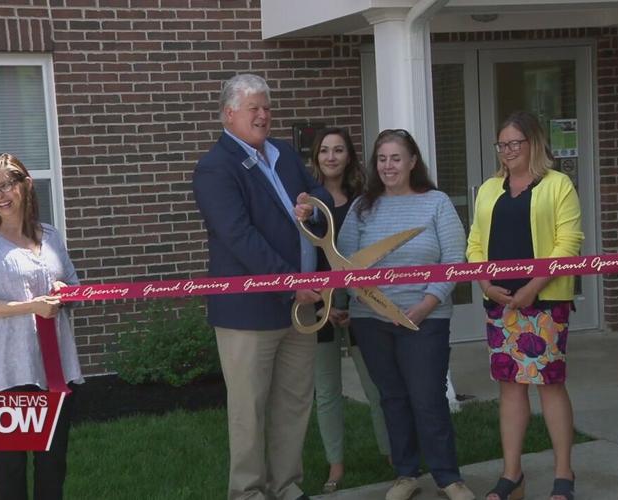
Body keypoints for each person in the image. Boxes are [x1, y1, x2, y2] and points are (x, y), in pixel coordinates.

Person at [192, 73, 332, 500]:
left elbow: (318, 198)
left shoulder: (285, 155)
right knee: (248, 410)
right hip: (249, 312)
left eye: (267, 107)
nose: (263, 114)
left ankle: (286, 484)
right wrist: (293, 284)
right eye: (253, 107)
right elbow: (239, 237)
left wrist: (311, 207)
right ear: (228, 113)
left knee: (293, 402)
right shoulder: (215, 168)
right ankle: (249, 492)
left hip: (302, 307)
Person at [336, 129, 474, 500]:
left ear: (413, 161)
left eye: (396, 158)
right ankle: (406, 474)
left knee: (427, 397)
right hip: (373, 321)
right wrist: (373, 303)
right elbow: (344, 263)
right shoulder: (363, 206)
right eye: (382, 159)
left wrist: (427, 303)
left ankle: (449, 477)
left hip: (425, 318)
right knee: (392, 398)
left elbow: (454, 260)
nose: (388, 166)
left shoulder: (437, 203)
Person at [466, 111, 583, 500]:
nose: (508, 151)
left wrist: (534, 287)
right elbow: (475, 243)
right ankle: (511, 474)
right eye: (502, 144)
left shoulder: (558, 185)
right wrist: (484, 281)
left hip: (545, 301)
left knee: (549, 385)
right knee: (511, 388)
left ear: (534, 144)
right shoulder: (488, 189)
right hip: (500, 304)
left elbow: (568, 243)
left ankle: (563, 476)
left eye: (516, 143)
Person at [0, 153, 82, 500]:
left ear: (25, 185)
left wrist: (64, 294)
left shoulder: (52, 236)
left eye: (6, 184)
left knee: (53, 464)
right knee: (10, 468)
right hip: (5, 369)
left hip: (54, 367)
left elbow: (74, 288)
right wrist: (33, 306)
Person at [307, 127, 391, 494]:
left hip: (361, 302)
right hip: (320, 305)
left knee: (376, 384)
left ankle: (394, 457)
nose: (331, 156)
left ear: (349, 156)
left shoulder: (365, 200)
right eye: (324, 150)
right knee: (326, 389)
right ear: (316, 158)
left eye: (338, 150)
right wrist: (327, 303)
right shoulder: (308, 202)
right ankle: (336, 465)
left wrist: (354, 300)